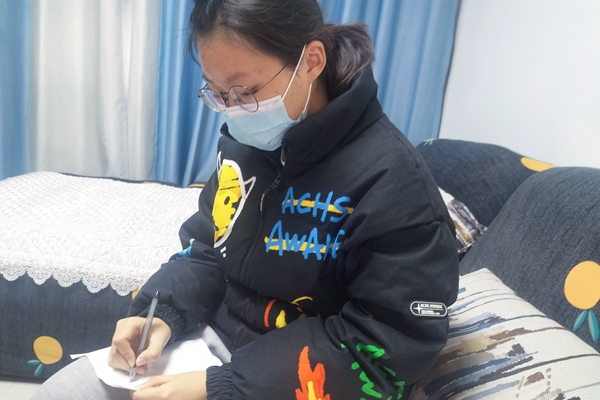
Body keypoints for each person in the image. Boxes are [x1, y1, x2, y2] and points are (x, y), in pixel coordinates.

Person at [33, 0, 459, 399]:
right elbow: (206, 247)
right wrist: (161, 315)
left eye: (245, 91)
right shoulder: (245, 145)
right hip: (204, 349)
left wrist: (221, 386)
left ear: (312, 62)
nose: (232, 111)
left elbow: (386, 346)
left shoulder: (392, 184)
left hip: (286, 380)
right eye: (218, 93)